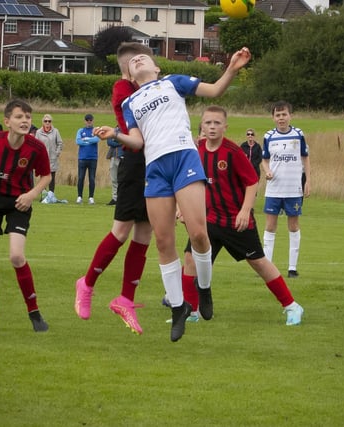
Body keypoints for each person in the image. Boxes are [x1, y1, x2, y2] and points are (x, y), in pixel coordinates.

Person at [94, 47, 252, 342]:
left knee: (198, 233)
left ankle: (204, 288)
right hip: (156, 169)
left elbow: (216, 91)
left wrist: (231, 68)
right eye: (132, 62)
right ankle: (179, 307)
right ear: (130, 75)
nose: (136, 60)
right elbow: (138, 142)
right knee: (164, 241)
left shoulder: (173, 82)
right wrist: (115, 135)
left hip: (183, 159)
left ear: (155, 68)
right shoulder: (130, 102)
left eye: (142, 57)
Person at [179, 106, 304, 325]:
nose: (212, 127)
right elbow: (191, 181)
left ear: (225, 127)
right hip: (208, 220)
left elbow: (252, 181)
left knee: (258, 263)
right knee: (190, 260)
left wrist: (245, 211)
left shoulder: (232, 152)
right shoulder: (196, 150)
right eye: (208, 123)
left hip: (235, 221)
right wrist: (183, 207)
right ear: (202, 125)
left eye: (217, 123)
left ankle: (292, 306)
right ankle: (191, 312)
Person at [75, 42, 155, 336]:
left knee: (145, 234)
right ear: (129, 67)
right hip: (135, 164)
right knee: (121, 231)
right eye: (142, 62)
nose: (148, 65)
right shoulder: (123, 89)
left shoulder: (153, 86)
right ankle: (87, 284)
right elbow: (140, 130)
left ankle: (125, 301)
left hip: (156, 163)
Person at [0, 99, 52, 332]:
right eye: (19, 117)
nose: (25, 121)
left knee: (16, 256)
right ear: (7, 122)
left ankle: (34, 314)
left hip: (19, 204)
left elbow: (46, 176)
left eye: (27, 117)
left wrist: (32, 195)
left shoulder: (36, 148)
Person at [261, 100, 311, 278]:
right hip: (274, 189)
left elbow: (305, 158)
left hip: (293, 189)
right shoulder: (268, 136)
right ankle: (266, 267)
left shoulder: (298, 134)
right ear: (273, 117)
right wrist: (267, 171)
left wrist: (308, 181)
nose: (281, 118)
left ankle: (292, 268)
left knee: (293, 225)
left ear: (290, 116)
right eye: (277, 115)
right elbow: (264, 159)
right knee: (270, 226)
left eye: (284, 114)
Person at [36, 114, 64, 204]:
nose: (47, 123)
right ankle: (43, 196)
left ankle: (51, 196)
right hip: (42, 159)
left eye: (49, 121)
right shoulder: (38, 132)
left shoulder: (55, 131)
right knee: (43, 177)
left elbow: (60, 143)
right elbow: (36, 145)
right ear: (43, 122)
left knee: (51, 177)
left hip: (52, 158)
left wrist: (57, 153)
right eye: (46, 121)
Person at [75, 113, 100, 204]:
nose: (89, 122)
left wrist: (86, 139)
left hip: (93, 157)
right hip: (82, 158)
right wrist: (89, 140)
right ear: (85, 121)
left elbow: (96, 139)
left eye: (90, 120)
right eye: (87, 120)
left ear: (93, 120)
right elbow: (78, 141)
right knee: (81, 177)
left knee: (92, 178)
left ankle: (91, 197)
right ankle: (79, 196)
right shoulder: (81, 130)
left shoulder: (95, 130)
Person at [105, 136, 123, 206]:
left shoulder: (126, 131)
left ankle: (121, 198)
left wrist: (116, 141)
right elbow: (109, 142)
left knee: (121, 179)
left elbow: (126, 143)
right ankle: (115, 198)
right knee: (114, 179)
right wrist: (120, 142)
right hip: (113, 157)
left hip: (122, 157)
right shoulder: (113, 131)